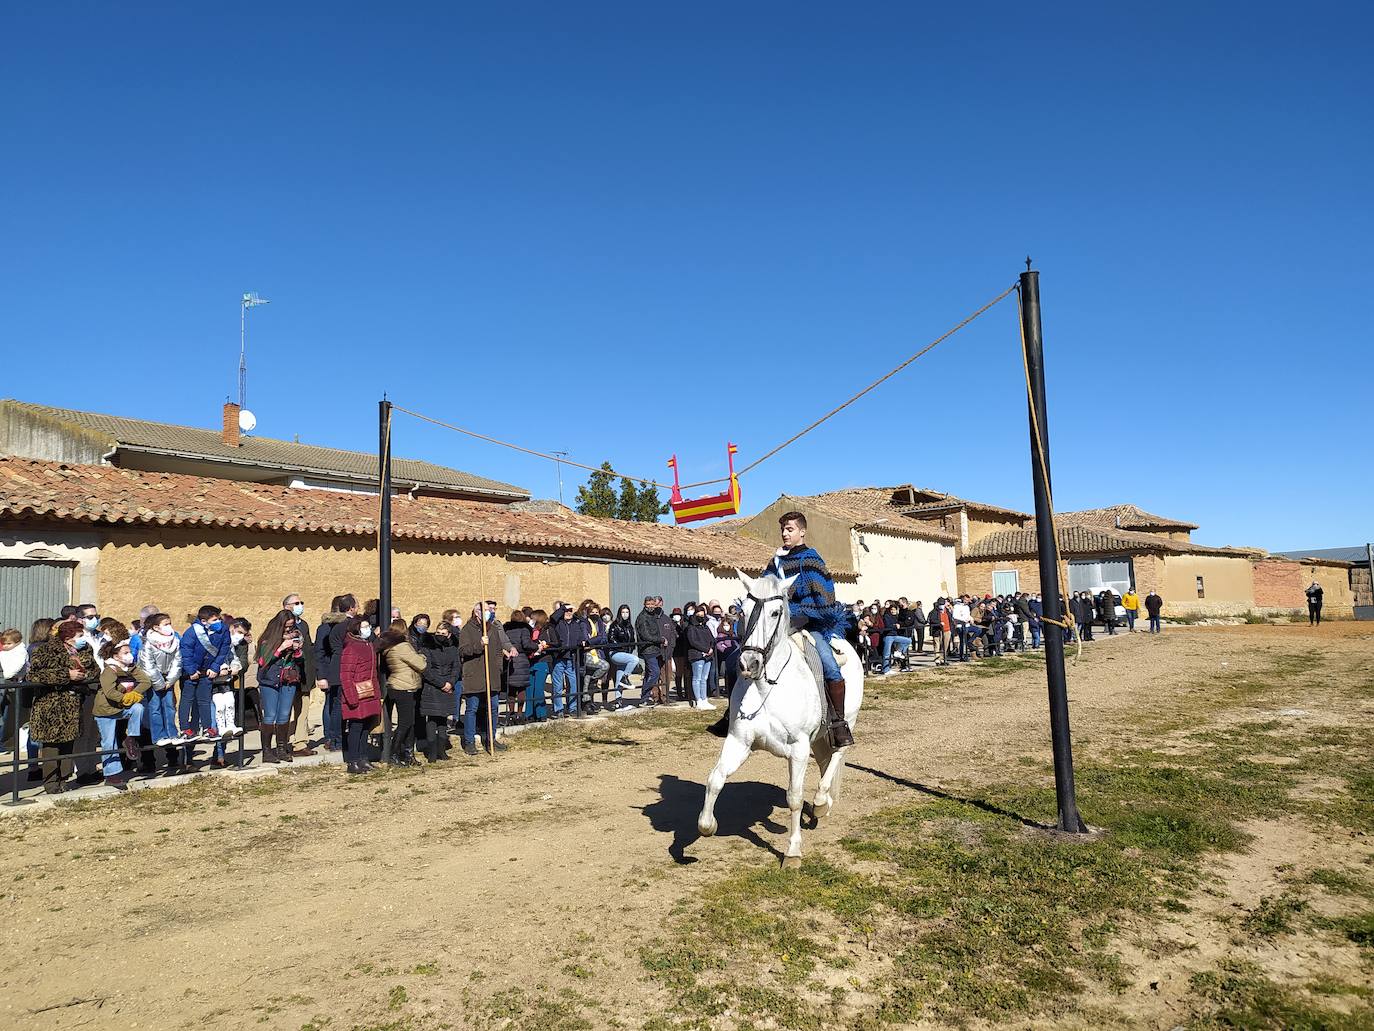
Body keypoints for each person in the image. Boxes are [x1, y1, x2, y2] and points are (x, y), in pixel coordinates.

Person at [715, 511, 853, 744]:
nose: (785, 533)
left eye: (789, 529)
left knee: (827, 664)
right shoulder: (775, 562)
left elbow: (826, 603)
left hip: (809, 625)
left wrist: (795, 612)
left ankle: (838, 722)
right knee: (733, 661)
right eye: (783, 529)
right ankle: (732, 714)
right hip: (774, 625)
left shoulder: (811, 560)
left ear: (802, 531)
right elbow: (763, 591)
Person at [26, 620, 88, 793]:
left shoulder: (79, 651)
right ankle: (51, 782)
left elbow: (93, 670)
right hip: (51, 704)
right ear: (68, 637)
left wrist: (86, 671)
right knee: (52, 746)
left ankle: (64, 778)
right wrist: (66, 675)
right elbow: (34, 675)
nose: (84, 639)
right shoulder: (45, 650)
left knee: (68, 743)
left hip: (71, 703)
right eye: (80, 636)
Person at [254, 609, 307, 765]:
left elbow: (299, 660)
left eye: (290, 627)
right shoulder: (267, 639)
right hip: (270, 680)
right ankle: (267, 752)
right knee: (270, 715)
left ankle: (282, 749)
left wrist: (297, 650)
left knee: (284, 714)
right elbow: (263, 662)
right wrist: (281, 648)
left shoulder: (293, 636)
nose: (288, 630)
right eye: (286, 627)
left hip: (288, 680)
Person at [179, 605, 231, 761]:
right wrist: (190, 670)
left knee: (204, 700)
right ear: (204, 621)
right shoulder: (192, 632)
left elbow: (224, 649)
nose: (218, 622)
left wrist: (215, 667)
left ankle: (209, 728)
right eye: (214, 620)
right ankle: (185, 729)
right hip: (191, 673)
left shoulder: (223, 631)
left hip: (207, 672)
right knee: (187, 700)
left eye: (219, 619)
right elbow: (186, 651)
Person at [95, 639, 148, 789]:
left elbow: (145, 682)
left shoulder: (130, 667)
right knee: (109, 742)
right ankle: (112, 774)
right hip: (105, 710)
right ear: (116, 656)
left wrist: (134, 695)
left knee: (138, 708)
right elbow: (109, 691)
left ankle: (131, 738)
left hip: (122, 707)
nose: (129, 655)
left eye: (129, 651)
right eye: (125, 653)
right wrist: (125, 698)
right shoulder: (109, 670)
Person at [459, 602, 510, 754]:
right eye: (486, 610)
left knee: (493, 709)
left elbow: (498, 651)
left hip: (492, 675)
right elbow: (463, 651)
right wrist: (479, 644)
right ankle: (469, 742)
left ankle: (491, 739)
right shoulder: (467, 630)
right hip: (474, 675)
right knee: (472, 709)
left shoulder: (493, 629)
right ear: (476, 612)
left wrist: (498, 668)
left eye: (491, 610)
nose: (490, 612)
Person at [137, 612, 182, 771]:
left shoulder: (174, 641)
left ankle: (172, 734)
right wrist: (159, 682)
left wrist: (170, 680)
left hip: (168, 680)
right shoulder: (148, 643)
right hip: (154, 681)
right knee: (154, 708)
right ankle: (159, 735)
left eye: (170, 623)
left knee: (169, 708)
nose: (169, 626)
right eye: (165, 624)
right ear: (156, 627)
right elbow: (147, 664)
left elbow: (178, 661)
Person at [314, 594, 357, 753]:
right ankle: (332, 738)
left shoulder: (345, 625)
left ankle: (335, 737)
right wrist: (322, 675)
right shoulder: (329, 627)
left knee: (336, 705)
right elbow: (320, 652)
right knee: (332, 705)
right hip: (333, 670)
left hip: (339, 669)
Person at [381, 618, 426, 767]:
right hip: (404, 686)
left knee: (409, 722)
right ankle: (395, 753)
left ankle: (407, 753)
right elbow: (420, 664)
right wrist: (422, 657)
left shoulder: (389, 646)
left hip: (398, 685)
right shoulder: (402, 646)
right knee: (406, 722)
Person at [280, 593, 321, 758]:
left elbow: (308, 649)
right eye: (296, 603)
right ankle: (281, 743)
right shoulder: (279, 625)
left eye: (301, 602)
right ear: (286, 606)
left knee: (303, 708)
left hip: (304, 674)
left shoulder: (303, 624)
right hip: (287, 674)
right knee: (284, 711)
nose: (300, 605)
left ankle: (300, 743)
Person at [338, 616, 380, 774]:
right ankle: (353, 760)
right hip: (356, 693)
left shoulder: (368, 645)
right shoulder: (351, 648)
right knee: (356, 728)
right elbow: (346, 675)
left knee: (365, 728)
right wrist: (351, 697)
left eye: (368, 626)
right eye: (364, 626)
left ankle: (363, 758)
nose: (367, 629)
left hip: (369, 692)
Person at [418, 620, 459, 761]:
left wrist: (450, 682)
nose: (440, 635)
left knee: (443, 719)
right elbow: (427, 670)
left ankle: (441, 750)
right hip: (432, 687)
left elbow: (456, 668)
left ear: (448, 635)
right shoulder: (428, 648)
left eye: (443, 633)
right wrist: (441, 683)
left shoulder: (453, 649)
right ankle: (432, 752)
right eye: (438, 632)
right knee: (432, 720)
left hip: (447, 686)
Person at [503, 610, 536, 722]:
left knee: (511, 689)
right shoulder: (524, 629)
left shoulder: (506, 629)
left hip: (509, 660)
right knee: (521, 689)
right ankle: (519, 713)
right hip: (521, 659)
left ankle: (511, 713)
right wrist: (536, 646)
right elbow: (526, 644)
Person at [607, 604, 642, 708]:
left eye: (627, 612)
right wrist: (621, 647)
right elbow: (611, 639)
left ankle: (618, 701)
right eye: (623, 612)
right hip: (615, 653)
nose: (625, 614)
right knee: (635, 660)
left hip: (625, 654)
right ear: (619, 613)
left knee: (619, 678)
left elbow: (632, 640)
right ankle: (625, 677)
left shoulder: (629, 626)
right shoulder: (615, 625)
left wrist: (630, 649)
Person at [634, 597, 664, 704]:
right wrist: (660, 640)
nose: (651, 606)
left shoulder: (652, 616)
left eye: (652, 604)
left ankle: (644, 698)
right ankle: (645, 693)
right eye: (648, 604)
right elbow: (646, 635)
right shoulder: (643, 617)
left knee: (648, 674)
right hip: (648, 649)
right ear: (644, 604)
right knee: (655, 673)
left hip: (654, 649)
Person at [685, 608, 716, 710]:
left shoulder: (706, 627)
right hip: (697, 655)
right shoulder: (691, 628)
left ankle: (704, 699)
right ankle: (698, 700)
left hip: (708, 656)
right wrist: (706, 649)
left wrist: (710, 649)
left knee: (704, 678)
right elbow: (693, 641)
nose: (701, 617)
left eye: (703, 615)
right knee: (697, 678)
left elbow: (712, 639)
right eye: (699, 615)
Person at [881, 601, 912, 675]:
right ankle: (886, 669)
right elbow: (888, 625)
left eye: (894, 609)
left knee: (908, 640)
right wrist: (895, 626)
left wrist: (897, 625)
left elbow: (900, 623)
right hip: (888, 636)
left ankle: (898, 652)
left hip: (894, 635)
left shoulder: (896, 616)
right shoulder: (886, 616)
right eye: (892, 609)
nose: (893, 611)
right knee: (887, 653)